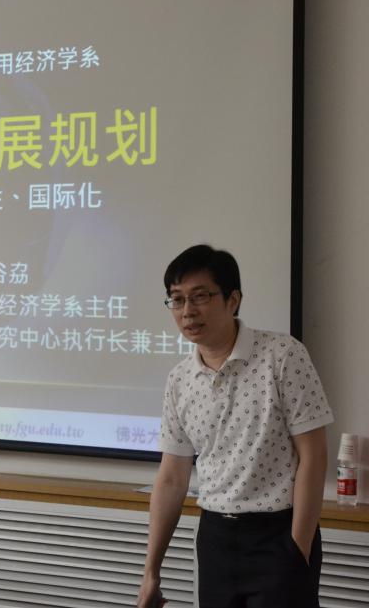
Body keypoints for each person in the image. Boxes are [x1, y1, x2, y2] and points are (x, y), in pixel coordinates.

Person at [137, 245, 333, 608]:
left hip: (279, 534)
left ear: (233, 299)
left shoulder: (282, 355)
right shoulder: (180, 379)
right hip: (215, 538)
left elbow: (314, 455)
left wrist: (298, 549)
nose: (187, 311)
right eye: (177, 300)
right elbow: (172, 478)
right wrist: (151, 571)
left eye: (200, 296)